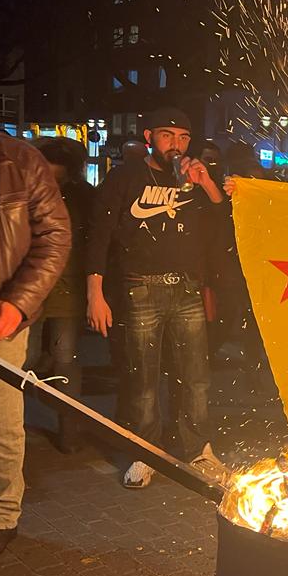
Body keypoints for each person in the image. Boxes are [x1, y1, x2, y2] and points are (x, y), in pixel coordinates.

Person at [86, 107, 227, 489]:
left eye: (183, 137)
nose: (176, 145)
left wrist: (206, 182)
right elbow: (99, 233)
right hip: (140, 288)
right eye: (167, 135)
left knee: (196, 377)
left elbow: (222, 220)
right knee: (143, 379)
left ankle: (198, 449)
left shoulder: (193, 179)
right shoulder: (126, 176)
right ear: (149, 137)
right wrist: (95, 292)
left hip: (187, 289)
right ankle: (145, 452)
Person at [0, 55, 71, 567]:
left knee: (0, 419)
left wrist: (19, 301)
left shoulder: (17, 159)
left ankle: (0, 517)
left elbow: (55, 237)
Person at [26, 137, 93, 453]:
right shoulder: (32, 191)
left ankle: (68, 432)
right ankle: (13, 428)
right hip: (35, 291)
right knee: (38, 360)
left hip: (57, 291)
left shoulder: (80, 197)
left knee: (62, 362)